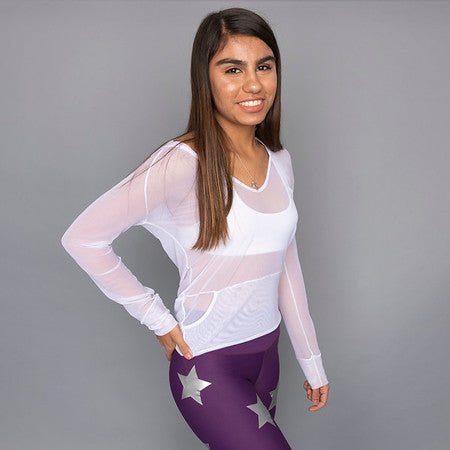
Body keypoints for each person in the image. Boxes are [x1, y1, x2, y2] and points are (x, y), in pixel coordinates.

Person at [61, 7, 330, 449]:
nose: (253, 85)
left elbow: (288, 269)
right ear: (205, 78)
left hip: (267, 357)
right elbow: (83, 238)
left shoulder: (280, 162)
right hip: (208, 365)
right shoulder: (181, 163)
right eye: (232, 69)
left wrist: (312, 361)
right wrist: (155, 317)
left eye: (264, 67)